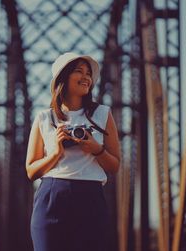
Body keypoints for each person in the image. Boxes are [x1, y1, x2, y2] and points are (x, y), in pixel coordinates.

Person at [25, 52, 121, 251]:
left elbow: (115, 165)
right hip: (52, 196)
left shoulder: (103, 114)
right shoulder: (44, 118)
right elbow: (31, 171)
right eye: (79, 71)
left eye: (89, 73)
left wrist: (96, 149)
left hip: (90, 198)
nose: (86, 77)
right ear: (63, 77)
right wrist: (55, 154)